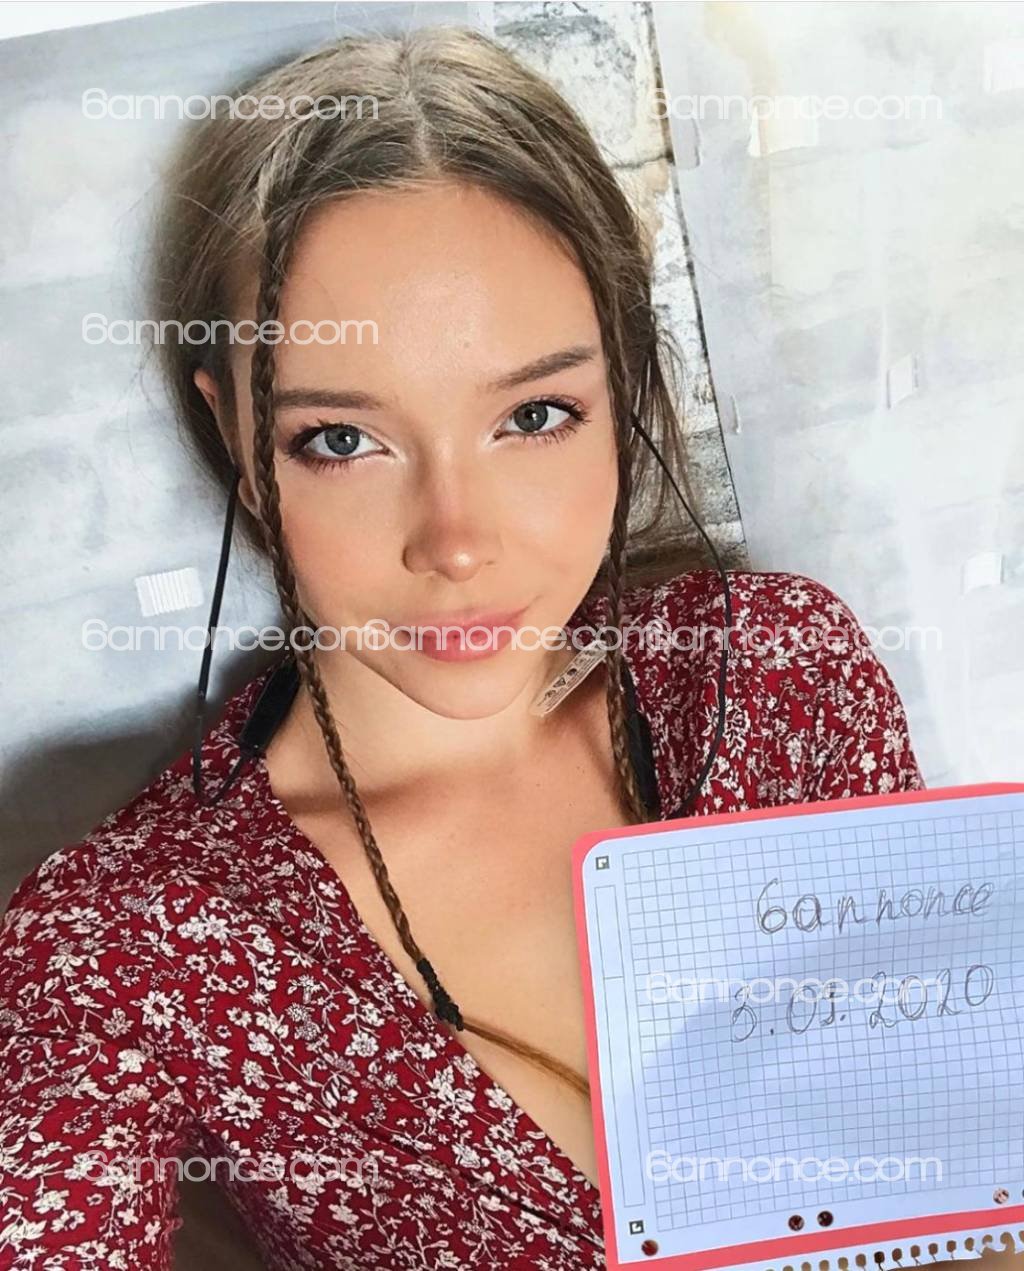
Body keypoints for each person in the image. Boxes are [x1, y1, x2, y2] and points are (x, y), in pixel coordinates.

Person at [0, 26, 925, 1271]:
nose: (456, 542)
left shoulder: (777, 678)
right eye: (342, 439)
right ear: (239, 441)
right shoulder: (130, 941)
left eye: (533, 415)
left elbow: (950, 1164)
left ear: (621, 386)